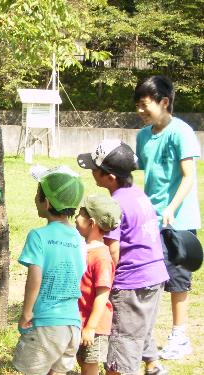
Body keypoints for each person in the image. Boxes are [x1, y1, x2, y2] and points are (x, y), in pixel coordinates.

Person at [77, 140, 169, 375]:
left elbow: (113, 251)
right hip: (155, 275)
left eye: (95, 170)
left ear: (110, 177)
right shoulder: (137, 194)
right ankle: (153, 364)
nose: (92, 173)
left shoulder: (115, 205)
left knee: (122, 342)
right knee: (140, 325)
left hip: (132, 282)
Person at [135, 75, 201, 360]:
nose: (140, 111)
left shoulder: (181, 132)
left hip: (178, 221)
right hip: (151, 220)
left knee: (178, 280)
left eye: (144, 105)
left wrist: (172, 208)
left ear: (164, 102)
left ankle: (180, 336)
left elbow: (189, 176)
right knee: (149, 277)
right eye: (137, 105)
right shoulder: (142, 136)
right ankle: (145, 335)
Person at [12, 165, 85, 375]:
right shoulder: (80, 240)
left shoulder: (38, 236)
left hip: (46, 323)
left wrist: (26, 312)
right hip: (72, 325)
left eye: (38, 195)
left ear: (47, 202)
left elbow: (35, 278)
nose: (35, 199)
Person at [75, 194, 119, 375]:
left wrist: (91, 327)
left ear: (91, 222)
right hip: (79, 320)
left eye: (80, 214)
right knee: (80, 359)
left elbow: (102, 295)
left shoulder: (101, 256)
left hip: (94, 325)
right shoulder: (81, 247)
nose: (76, 218)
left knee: (89, 365)